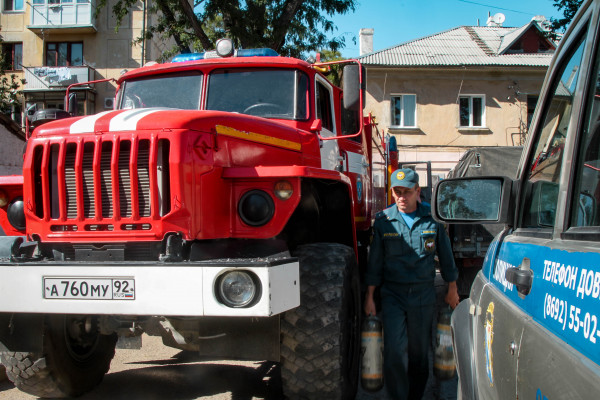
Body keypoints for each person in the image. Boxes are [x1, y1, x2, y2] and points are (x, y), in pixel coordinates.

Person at [364, 168, 460, 400]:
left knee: (419, 354)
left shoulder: (433, 219)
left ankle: (415, 395)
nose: (401, 197)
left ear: (418, 191)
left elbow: (446, 256)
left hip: (422, 295)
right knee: (395, 353)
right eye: (397, 192)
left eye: (406, 192)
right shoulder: (384, 221)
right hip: (393, 295)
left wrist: (452, 289)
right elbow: (375, 263)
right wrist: (370, 296)